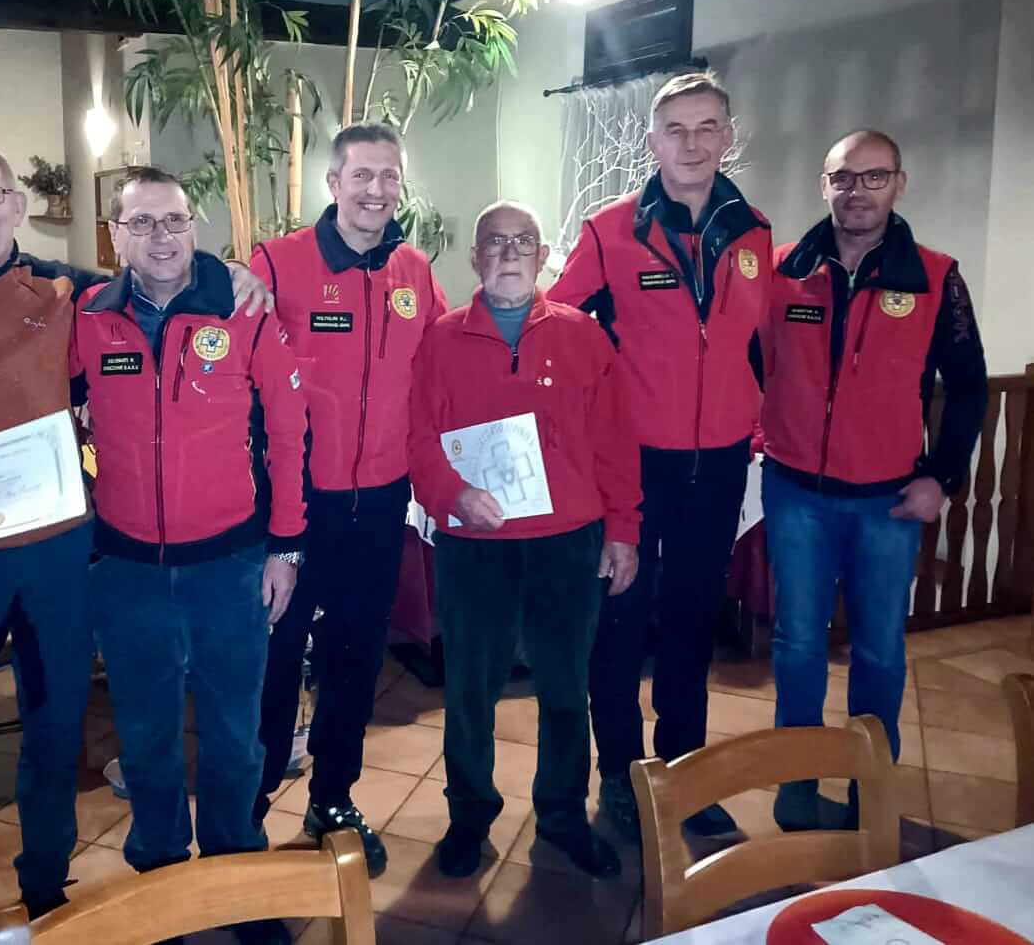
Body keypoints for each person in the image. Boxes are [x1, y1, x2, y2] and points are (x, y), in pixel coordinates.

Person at [0, 139, 271, 944]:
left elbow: (162, 270)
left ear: (16, 203)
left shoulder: (72, 293)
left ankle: (45, 888)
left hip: (57, 557)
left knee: (54, 733)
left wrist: (230, 272)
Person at [72, 166, 307, 945]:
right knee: (145, 738)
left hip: (229, 565)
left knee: (235, 736)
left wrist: (286, 546)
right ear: (115, 235)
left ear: (193, 226)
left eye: (173, 220)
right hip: (127, 569)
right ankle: (160, 878)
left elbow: (287, 431)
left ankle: (237, 879)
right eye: (140, 222)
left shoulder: (243, 310)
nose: (161, 236)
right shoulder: (88, 317)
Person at [549, 72, 773, 839]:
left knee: (690, 618)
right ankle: (619, 771)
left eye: (705, 127)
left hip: (718, 462)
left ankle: (682, 770)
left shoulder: (752, 233)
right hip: (633, 463)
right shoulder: (609, 231)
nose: (690, 143)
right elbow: (557, 330)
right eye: (674, 129)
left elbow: (758, 345)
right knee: (620, 618)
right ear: (652, 142)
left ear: (726, 137)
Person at [759, 130, 986, 829]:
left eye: (873, 177)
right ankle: (796, 786)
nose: (856, 191)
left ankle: (871, 793)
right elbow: (746, 361)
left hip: (887, 501)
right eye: (843, 178)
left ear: (898, 183)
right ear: (823, 185)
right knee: (797, 644)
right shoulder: (782, 270)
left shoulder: (935, 276)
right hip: (795, 492)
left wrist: (942, 477)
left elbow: (968, 387)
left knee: (879, 649)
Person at [409, 201, 641, 879]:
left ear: (543, 256)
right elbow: (417, 438)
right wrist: (451, 494)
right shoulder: (440, 340)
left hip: (567, 544)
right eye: (494, 242)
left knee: (566, 689)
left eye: (522, 242)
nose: (508, 253)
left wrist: (622, 530)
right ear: (474, 257)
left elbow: (615, 442)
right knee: (470, 691)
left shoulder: (582, 336)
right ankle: (469, 815)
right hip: (473, 546)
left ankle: (563, 815)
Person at [249, 121, 448, 877]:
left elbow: (442, 363)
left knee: (356, 658)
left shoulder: (414, 271)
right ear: (332, 184)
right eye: (361, 175)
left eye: (388, 176)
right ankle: (249, 810)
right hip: (293, 506)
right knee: (273, 661)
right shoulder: (277, 263)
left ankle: (332, 797)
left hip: (380, 504)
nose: (375, 190)